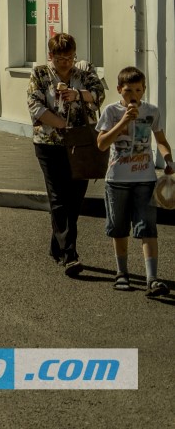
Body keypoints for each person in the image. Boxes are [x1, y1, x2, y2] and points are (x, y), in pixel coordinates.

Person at [27, 32, 106, 276]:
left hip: (81, 144)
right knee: (58, 196)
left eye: (70, 57)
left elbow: (99, 94)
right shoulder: (40, 74)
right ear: (51, 56)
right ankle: (70, 254)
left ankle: (57, 245)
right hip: (49, 144)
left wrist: (77, 94)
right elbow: (35, 106)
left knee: (75, 198)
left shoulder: (83, 71)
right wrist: (62, 124)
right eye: (61, 58)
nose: (67, 63)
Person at [95, 66, 174, 295]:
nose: (134, 95)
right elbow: (101, 144)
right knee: (119, 228)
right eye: (129, 90)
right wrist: (123, 122)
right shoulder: (111, 111)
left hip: (145, 179)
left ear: (144, 90)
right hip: (117, 179)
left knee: (148, 228)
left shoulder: (152, 111)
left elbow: (160, 140)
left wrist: (168, 158)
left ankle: (152, 279)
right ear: (120, 90)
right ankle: (122, 273)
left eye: (138, 90)